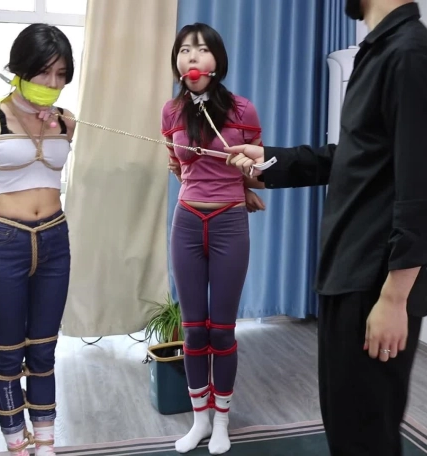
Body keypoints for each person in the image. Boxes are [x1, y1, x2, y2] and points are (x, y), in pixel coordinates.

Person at [226, 1, 427, 454]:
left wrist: (395, 298)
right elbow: (353, 159)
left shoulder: (411, 55)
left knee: (365, 438)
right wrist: (270, 162)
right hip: (346, 277)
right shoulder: (380, 52)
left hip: (374, 288)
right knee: (347, 430)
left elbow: (426, 191)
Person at [0, 23, 77, 456]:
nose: (52, 83)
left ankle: (45, 445)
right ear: (20, 68)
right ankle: (17, 446)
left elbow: (47, 178)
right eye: (44, 71)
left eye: (61, 74)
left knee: (44, 351)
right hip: (7, 242)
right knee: (8, 355)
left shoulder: (67, 121)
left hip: (55, 238)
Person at [161, 22, 266, 455]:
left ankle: (222, 422)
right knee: (193, 332)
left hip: (229, 223)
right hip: (187, 222)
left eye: (202, 49)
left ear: (217, 61)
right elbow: (177, 165)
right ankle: (199, 420)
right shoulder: (171, 112)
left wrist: (247, 179)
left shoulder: (243, 110)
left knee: (222, 331)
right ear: (178, 62)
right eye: (185, 50)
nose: (192, 56)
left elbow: (259, 170)